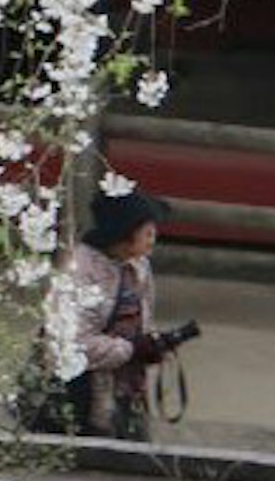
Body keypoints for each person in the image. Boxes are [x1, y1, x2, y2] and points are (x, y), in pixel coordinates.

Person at [44, 177, 182, 440]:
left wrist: (152, 345)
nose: (153, 240)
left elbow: (143, 319)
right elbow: (71, 343)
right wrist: (131, 349)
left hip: (127, 390)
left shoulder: (139, 266)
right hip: (82, 395)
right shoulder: (79, 273)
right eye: (147, 233)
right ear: (124, 235)